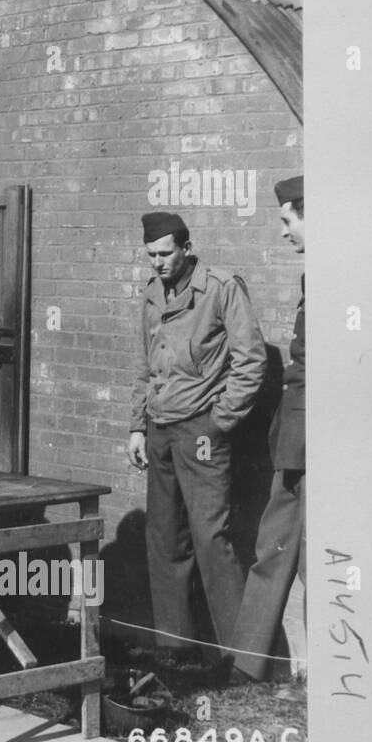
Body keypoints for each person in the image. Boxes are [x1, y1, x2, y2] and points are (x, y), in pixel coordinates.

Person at [127, 211, 267, 672]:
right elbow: (144, 366)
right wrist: (136, 427)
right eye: (151, 255)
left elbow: (251, 361)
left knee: (212, 539)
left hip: (202, 430)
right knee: (165, 538)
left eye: (166, 253)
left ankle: (238, 657)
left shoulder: (222, 288)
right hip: (161, 428)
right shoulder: (151, 293)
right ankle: (175, 646)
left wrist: (219, 422)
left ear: (187, 248)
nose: (158, 263)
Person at [230, 176, 306, 691]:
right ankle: (246, 666)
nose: (283, 232)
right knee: (273, 552)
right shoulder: (318, 275)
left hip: (317, 443)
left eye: (288, 220)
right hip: (298, 441)